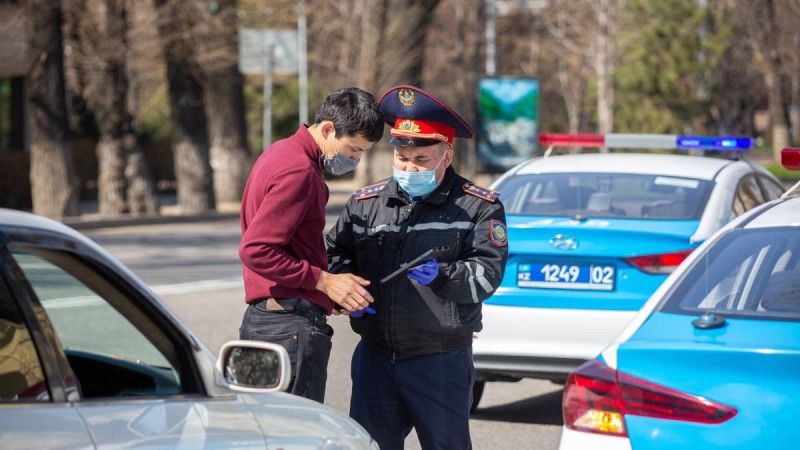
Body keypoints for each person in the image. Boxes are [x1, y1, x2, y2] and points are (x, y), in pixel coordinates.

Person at [326, 85, 509, 449]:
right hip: (375, 356)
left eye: (421, 160)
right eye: (402, 157)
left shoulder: (477, 207)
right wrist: (345, 291)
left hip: (440, 360)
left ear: (446, 155)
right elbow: (336, 253)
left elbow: (487, 275)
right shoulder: (366, 203)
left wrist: (443, 276)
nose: (409, 167)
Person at [239, 87, 384, 403]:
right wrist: (324, 282)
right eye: (354, 149)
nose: (356, 159)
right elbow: (256, 250)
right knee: (294, 432)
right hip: (287, 327)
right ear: (329, 129)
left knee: (263, 430)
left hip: (268, 320)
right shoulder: (299, 170)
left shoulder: (280, 152)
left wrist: (324, 295)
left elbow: (290, 247)